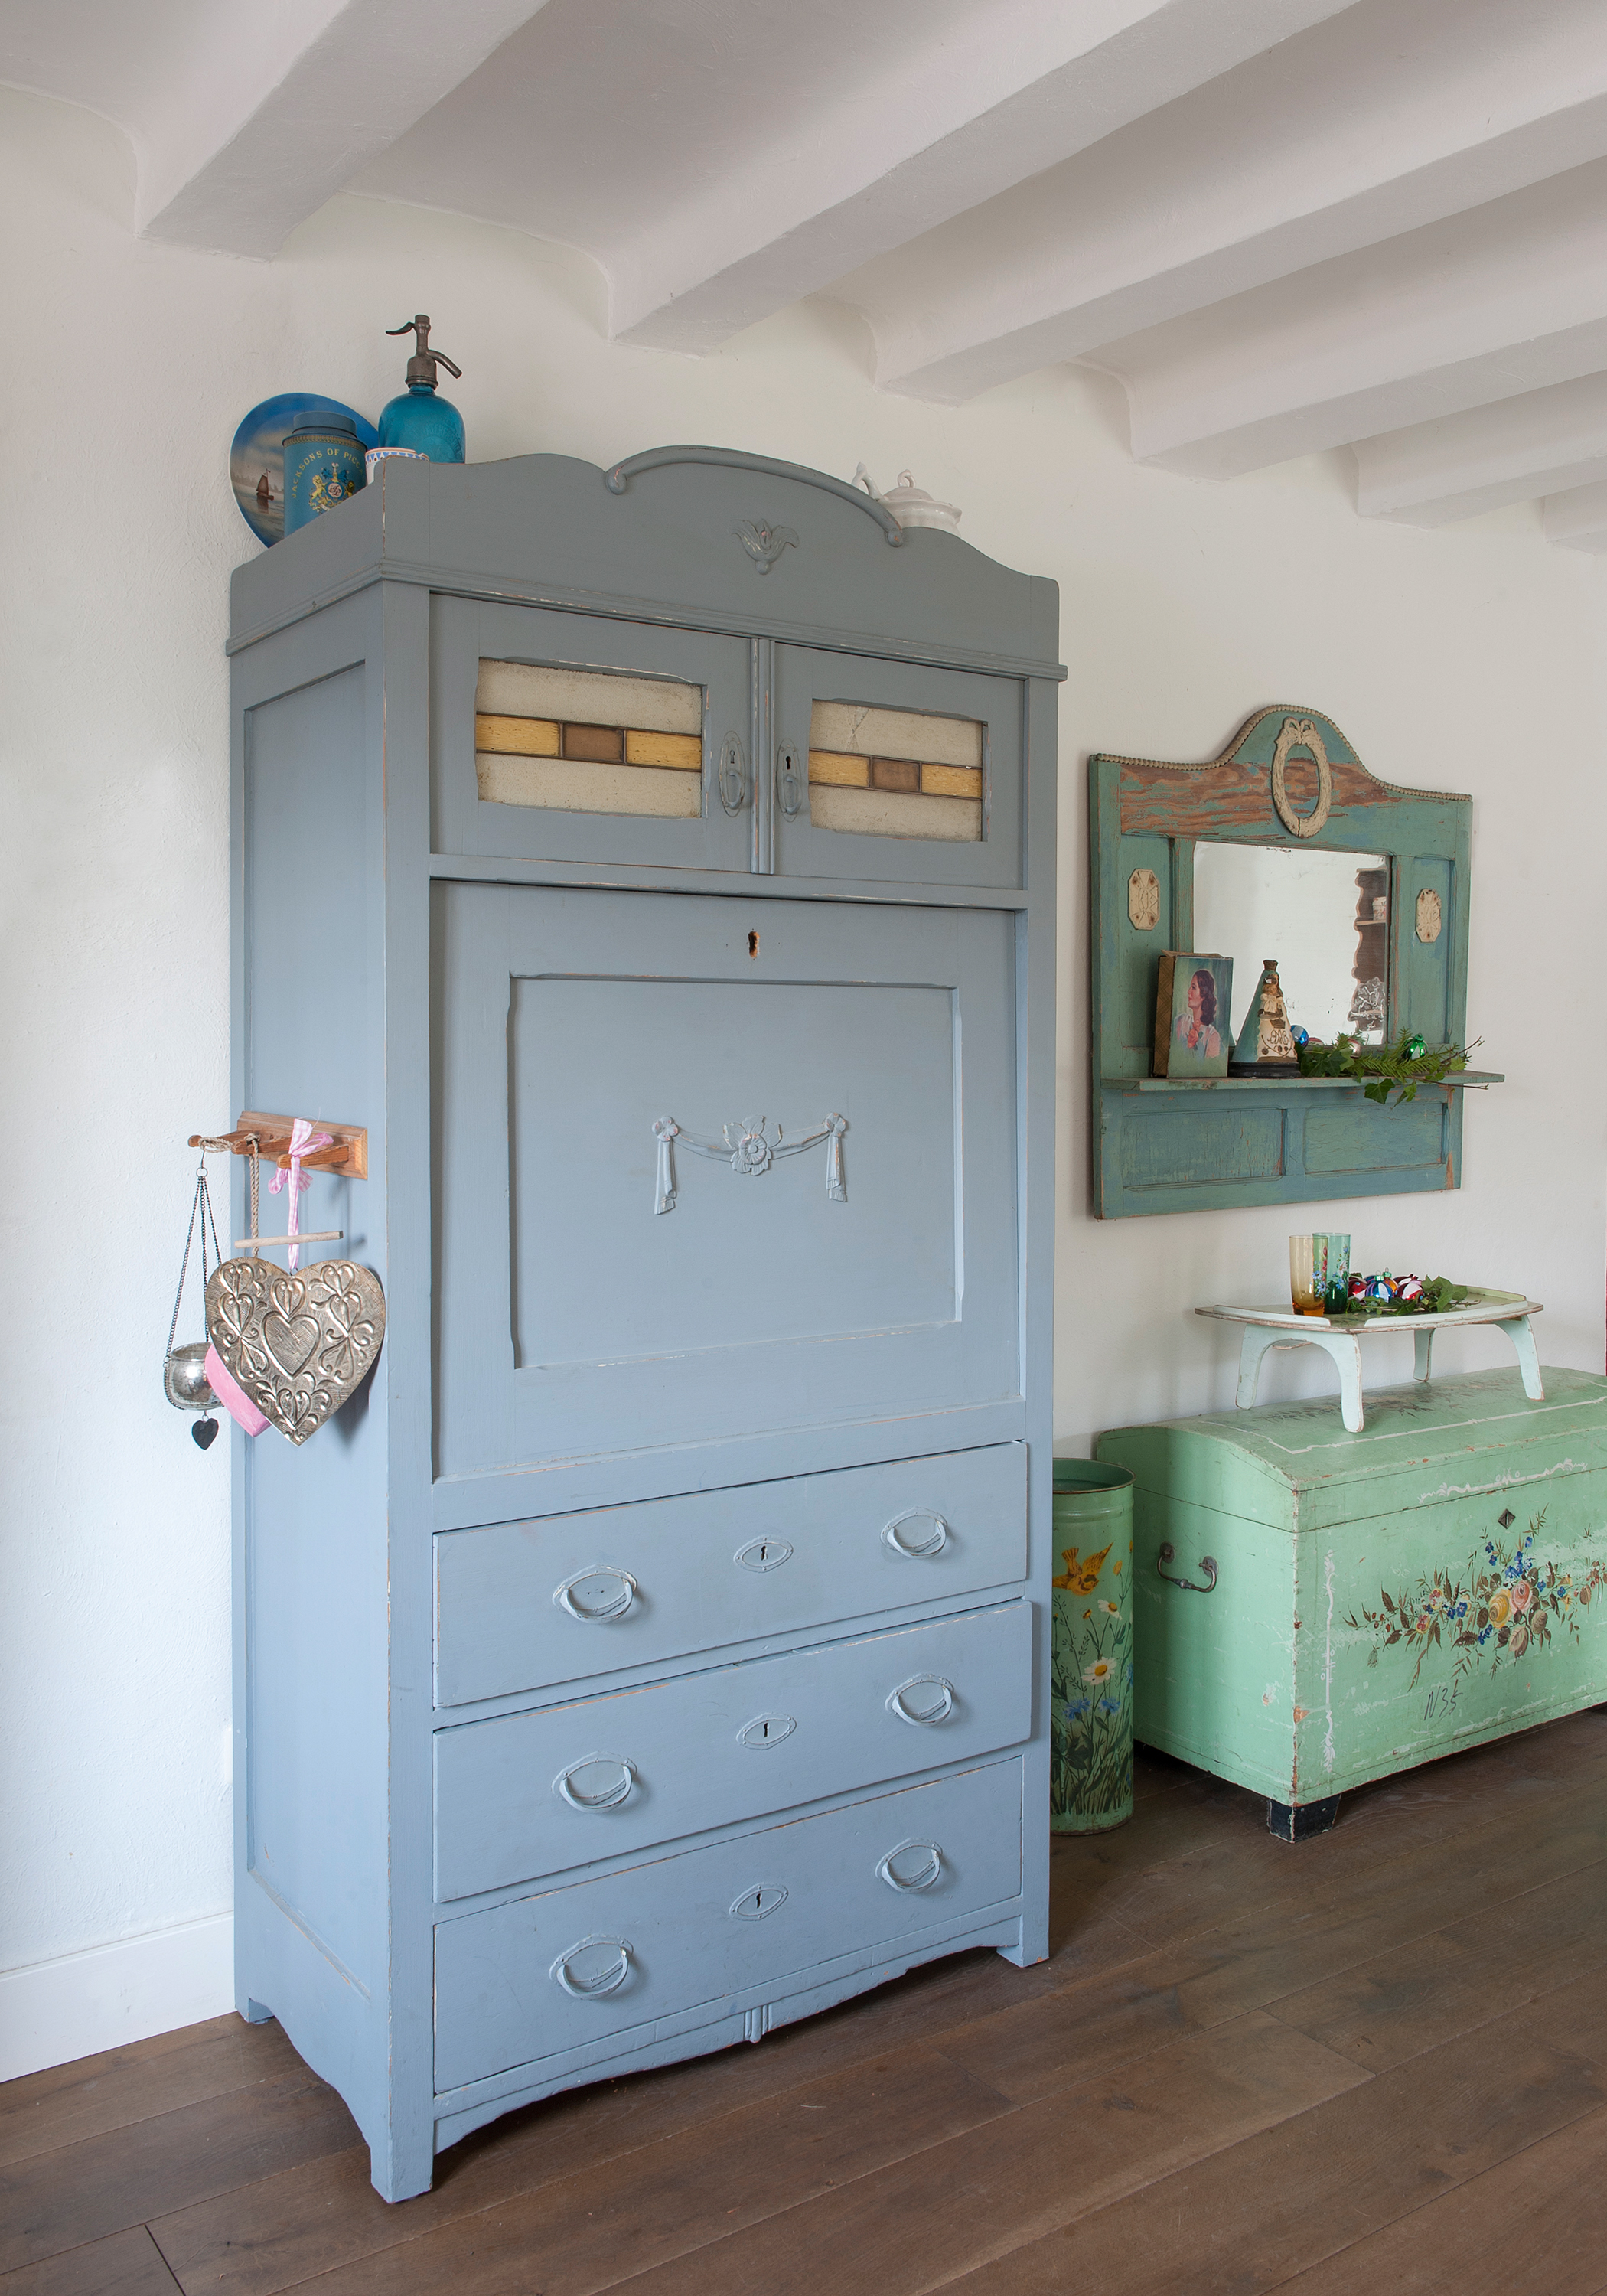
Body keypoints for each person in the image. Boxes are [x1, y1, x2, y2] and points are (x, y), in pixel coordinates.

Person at [1175, 967, 1221, 1058]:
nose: (1189, 991)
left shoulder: (1212, 1036)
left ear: (1203, 994)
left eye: (1193, 987)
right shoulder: (1181, 1021)